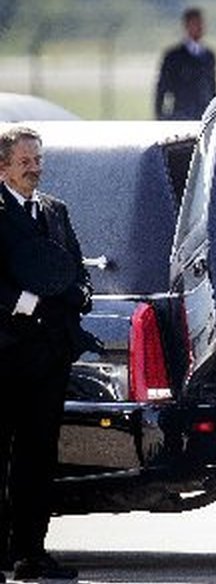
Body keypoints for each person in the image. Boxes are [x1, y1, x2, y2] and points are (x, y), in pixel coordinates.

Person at [0, 127, 91, 581]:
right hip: (5, 354)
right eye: (24, 162)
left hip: (49, 357)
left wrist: (79, 294)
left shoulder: (56, 211)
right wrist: (26, 300)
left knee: (40, 455)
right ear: (2, 167)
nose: (35, 168)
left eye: (37, 160)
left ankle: (31, 553)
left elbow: (73, 266)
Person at [155, 7, 216, 120]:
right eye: (195, 24)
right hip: (182, 113)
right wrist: (159, 114)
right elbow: (163, 87)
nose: (199, 28)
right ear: (186, 26)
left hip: (204, 113)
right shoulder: (173, 56)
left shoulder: (209, 56)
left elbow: (212, 87)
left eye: (200, 24)